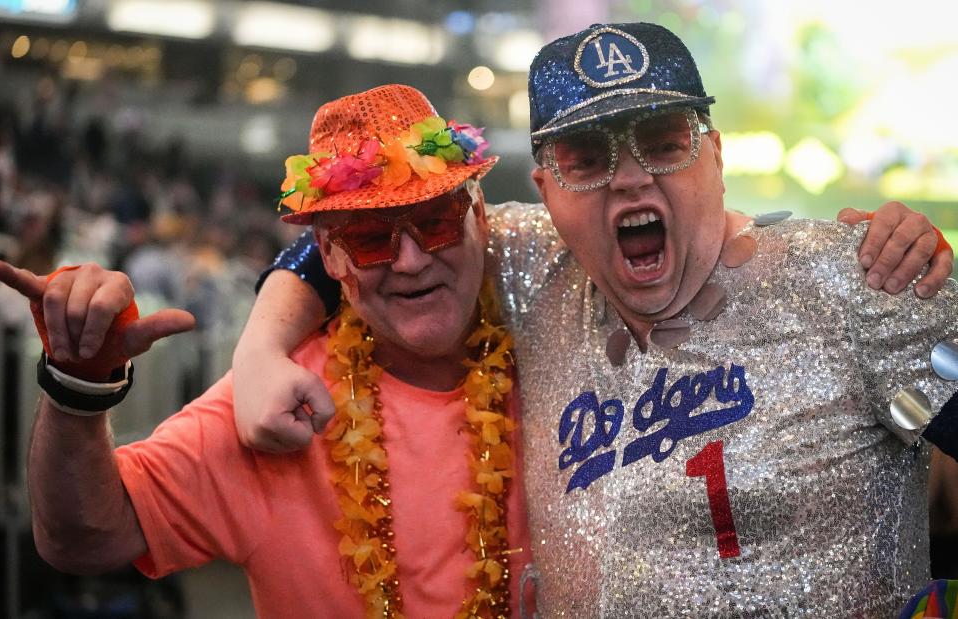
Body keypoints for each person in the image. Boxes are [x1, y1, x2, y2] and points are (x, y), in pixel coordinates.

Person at [233, 24, 958, 617]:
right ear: (544, 190)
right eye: (586, 156)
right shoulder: (531, 267)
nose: (630, 176)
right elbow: (353, 231)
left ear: (714, 153)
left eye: (663, 140)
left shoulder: (856, 274)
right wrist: (261, 348)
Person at [1, 85, 532, 618]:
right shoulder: (275, 401)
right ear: (328, 255)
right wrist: (78, 388)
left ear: (480, 217)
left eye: (436, 221)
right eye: (371, 238)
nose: (411, 261)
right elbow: (82, 540)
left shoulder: (558, 349)